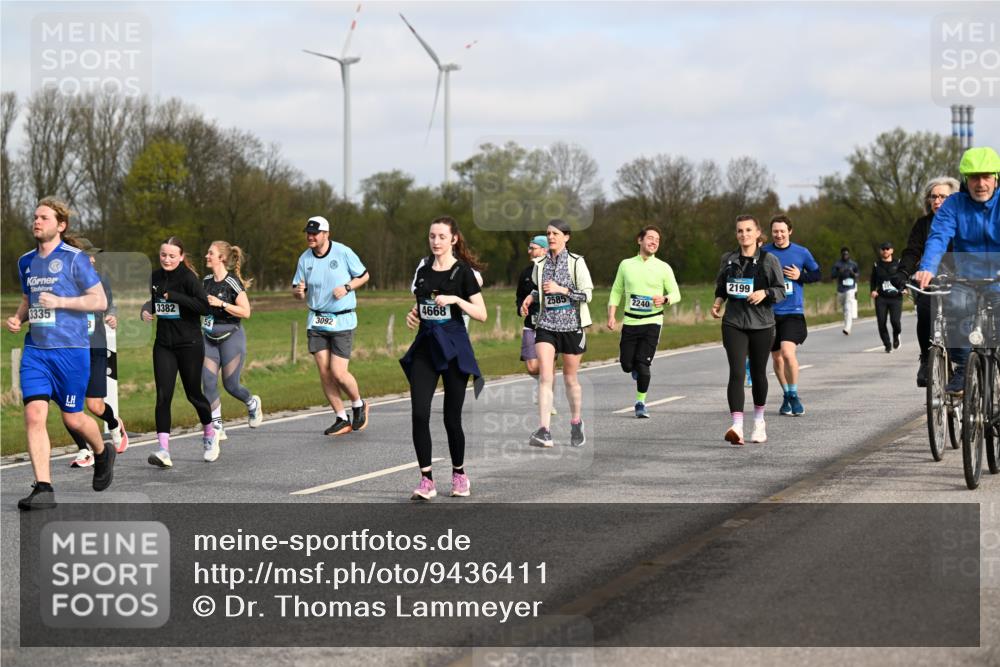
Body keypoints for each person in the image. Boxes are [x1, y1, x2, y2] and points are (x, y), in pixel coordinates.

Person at [7, 198, 116, 509]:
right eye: (35, 216)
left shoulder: (75, 259)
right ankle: (44, 488)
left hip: (71, 351)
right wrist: (18, 318)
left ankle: (102, 451)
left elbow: (98, 301)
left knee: (74, 417)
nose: (36, 221)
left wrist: (61, 302)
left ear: (61, 225)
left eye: (44, 217)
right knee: (33, 414)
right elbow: (28, 299)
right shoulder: (26, 261)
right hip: (36, 352)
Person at [401, 216, 487, 500]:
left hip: (454, 348)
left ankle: (459, 474)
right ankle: (426, 480)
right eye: (432, 236)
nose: (435, 241)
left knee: (452, 418)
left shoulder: (463, 273)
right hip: (426, 346)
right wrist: (414, 314)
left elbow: (482, 314)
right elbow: (422, 304)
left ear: (453, 239)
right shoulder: (423, 269)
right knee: (419, 413)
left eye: (441, 236)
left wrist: (456, 300)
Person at [916, 146, 1000, 394]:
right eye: (974, 177)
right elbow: (938, 237)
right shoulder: (954, 205)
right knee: (954, 307)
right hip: (965, 278)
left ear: (996, 178)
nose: (980, 184)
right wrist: (927, 268)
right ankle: (963, 367)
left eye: (986, 177)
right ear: (965, 180)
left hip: (998, 279)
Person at [141, 237, 219, 467]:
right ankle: (163, 450)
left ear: (181, 257)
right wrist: (146, 309)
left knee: (193, 394)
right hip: (164, 344)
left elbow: (204, 306)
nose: (167, 259)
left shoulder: (187, 278)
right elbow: (155, 302)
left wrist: (175, 296)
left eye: (172, 256)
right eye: (163, 255)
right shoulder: (155, 276)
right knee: (163, 396)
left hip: (189, 344)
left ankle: (210, 435)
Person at [292, 216, 371, 436]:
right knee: (325, 372)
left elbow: (364, 276)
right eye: (308, 233)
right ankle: (341, 418)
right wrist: (298, 292)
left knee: (338, 372)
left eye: (314, 233)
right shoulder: (304, 259)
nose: (310, 236)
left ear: (326, 234)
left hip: (342, 320)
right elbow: (298, 290)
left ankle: (358, 404)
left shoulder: (343, 252)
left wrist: (347, 287)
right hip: (317, 321)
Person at [711, 214, 785, 446]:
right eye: (740, 231)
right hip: (734, 323)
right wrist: (717, 302)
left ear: (757, 233)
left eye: (748, 230)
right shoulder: (728, 259)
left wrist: (765, 293)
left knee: (758, 372)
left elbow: (781, 290)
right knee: (737, 372)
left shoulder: (769, 260)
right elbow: (722, 286)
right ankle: (737, 426)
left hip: (762, 324)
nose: (744, 234)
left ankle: (759, 422)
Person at [520, 219, 594, 448]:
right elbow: (540, 289)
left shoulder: (576, 262)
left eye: (556, 234)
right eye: (549, 233)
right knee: (546, 376)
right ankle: (544, 430)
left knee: (570, 378)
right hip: (546, 325)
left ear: (566, 237)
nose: (551, 237)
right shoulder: (540, 263)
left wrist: (561, 289)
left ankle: (576, 422)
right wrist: (530, 297)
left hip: (572, 326)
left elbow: (587, 295)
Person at [607, 225, 681, 418]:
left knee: (643, 365)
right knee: (626, 364)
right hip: (630, 322)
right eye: (650, 238)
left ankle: (640, 403)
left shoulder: (663, 267)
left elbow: (676, 293)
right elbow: (616, 291)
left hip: (653, 321)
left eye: (657, 240)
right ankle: (634, 369)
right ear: (639, 240)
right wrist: (611, 315)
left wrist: (665, 299)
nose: (654, 242)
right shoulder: (626, 265)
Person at [67, 238, 128, 468]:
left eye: (92, 256)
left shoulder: (100, 280)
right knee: (69, 404)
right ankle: (84, 450)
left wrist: (112, 315)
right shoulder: (61, 282)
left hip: (95, 347)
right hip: (70, 349)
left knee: (95, 406)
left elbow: (110, 305)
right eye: (87, 256)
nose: (92, 260)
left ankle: (114, 424)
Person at [897, 176, 961, 386]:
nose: (937, 201)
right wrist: (902, 272)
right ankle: (926, 358)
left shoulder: (962, 223)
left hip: (960, 279)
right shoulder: (922, 224)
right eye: (933, 197)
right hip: (930, 280)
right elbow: (912, 251)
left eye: (943, 197)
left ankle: (962, 364)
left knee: (961, 317)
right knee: (924, 312)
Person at [201, 241, 263, 451]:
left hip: (231, 337)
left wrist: (222, 304)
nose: (206, 256)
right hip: (209, 337)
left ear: (222, 258)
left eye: (211, 253)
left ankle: (252, 402)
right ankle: (217, 425)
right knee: (208, 381)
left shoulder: (232, 282)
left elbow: (246, 312)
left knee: (231, 385)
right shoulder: (206, 281)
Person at [763, 215, 821, 417]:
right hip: (769, 313)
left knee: (788, 353)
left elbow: (817, 274)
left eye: (782, 231)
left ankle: (794, 395)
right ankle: (786, 395)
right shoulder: (764, 253)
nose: (779, 235)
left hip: (793, 312)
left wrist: (800, 276)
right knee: (777, 358)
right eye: (775, 231)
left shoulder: (801, 252)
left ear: (790, 231)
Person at [870, 242, 904, 353]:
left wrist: (904, 288)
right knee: (881, 322)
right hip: (881, 298)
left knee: (895, 322)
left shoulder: (898, 263)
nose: (885, 250)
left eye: (887, 248)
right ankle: (887, 344)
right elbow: (873, 280)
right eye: (883, 249)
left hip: (896, 297)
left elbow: (903, 277)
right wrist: (873, 290)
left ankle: (896, 335)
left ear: (892, 250)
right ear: (881, 251)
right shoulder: (876, 265)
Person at [831, 247, 860, 335]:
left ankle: (847, 328)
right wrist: (839, 272)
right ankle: (847, 323)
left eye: (847, 254)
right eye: (844, 254)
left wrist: (853, 274)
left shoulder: (853, 264)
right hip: (841, 289)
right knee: (844, 307)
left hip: (850, 288)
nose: (845, 256)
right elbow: (832, 276)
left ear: (849, 254)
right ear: (841, 254)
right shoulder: (837, 264)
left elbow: (858, 275)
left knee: (848, 307)